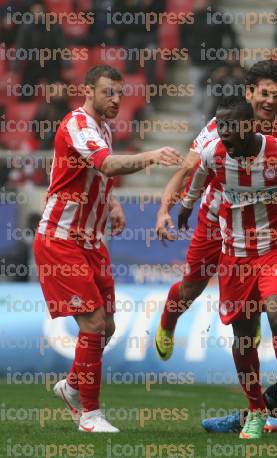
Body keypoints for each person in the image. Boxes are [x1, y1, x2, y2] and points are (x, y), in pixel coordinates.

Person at [33, 65, 182, 433]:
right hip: (61, 239)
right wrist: (151, 156)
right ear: (89, 91)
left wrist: (111, 204)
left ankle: (71, 386)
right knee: (94, 323)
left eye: (120, 93)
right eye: (107, 93)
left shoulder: (102, 128)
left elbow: (95, 174)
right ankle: (90, 415)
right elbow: (106, 164)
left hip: (91, 242)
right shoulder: (78, 125)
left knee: (108, 327)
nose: (116, 100)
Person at [178, 96, 277, 439]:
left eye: (231, 127)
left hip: (276, 250)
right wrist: (186, 206)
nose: (224, 134)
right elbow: (199, 177)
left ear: (249, 125)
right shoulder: (215, 152)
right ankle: (254, 408)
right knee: (244, 339)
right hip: (235, 257)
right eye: (220, 126)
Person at [154, 61, 277, 362]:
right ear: (249, 93)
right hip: (213, 222)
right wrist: (164, 210)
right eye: (264, 93)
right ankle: (168, 321)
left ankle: (251, 325)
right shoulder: (217, 128)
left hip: (254, 232)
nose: (270, 101)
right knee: (190, 289)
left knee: (262, 290)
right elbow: (186, 171)